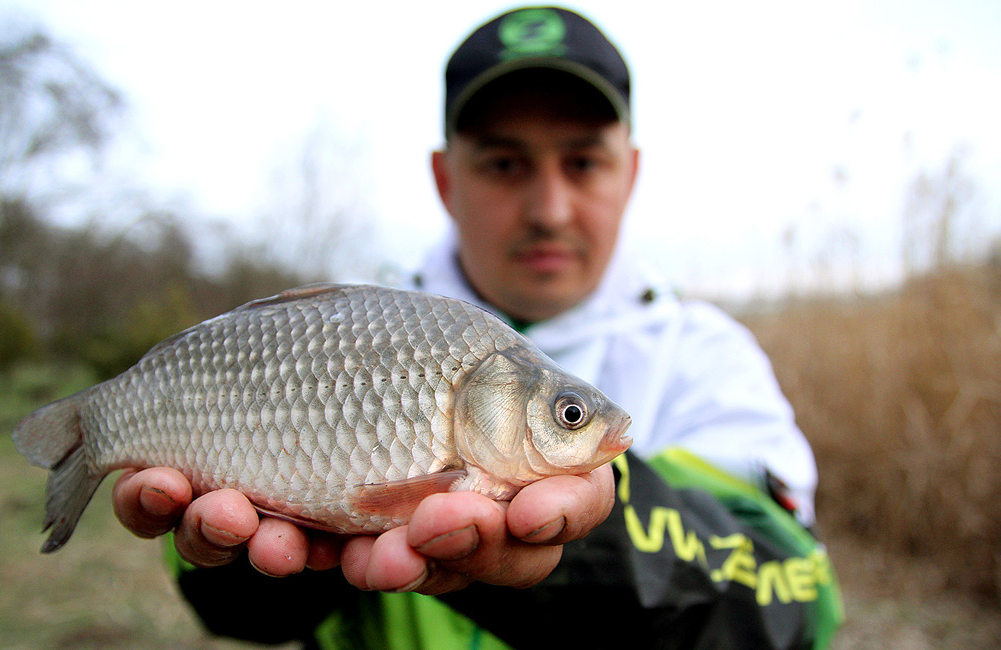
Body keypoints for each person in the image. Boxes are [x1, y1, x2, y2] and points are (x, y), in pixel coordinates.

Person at [113, 6, 842, 649]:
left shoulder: (709, 359)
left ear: (632, 172)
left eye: (584, 161)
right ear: (443, 178)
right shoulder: (345, 328)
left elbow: (796, 604)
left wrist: (588, 544)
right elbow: (237, 617)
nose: (549, 207)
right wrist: (281, 558)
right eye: (503, 162)